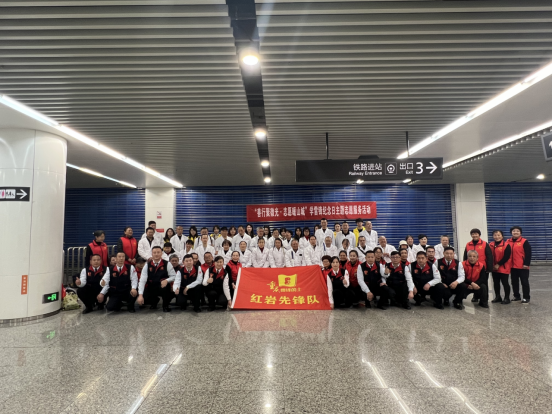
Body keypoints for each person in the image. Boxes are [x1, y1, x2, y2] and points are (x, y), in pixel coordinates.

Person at [137, 246, 177, 312]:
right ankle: (154, 301)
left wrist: (167, 280)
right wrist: (140, 295)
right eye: (154, 252)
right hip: (152, 286)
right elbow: (142, 280)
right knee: (145, 296)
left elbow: (174, 276)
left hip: (163, 287)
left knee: (165, 288)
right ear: (152, 254)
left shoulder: (167, 264)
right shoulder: (147, 265)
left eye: (158, 252)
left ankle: (165, 305)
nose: (156, 254)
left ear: (161, 253)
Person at [508, 226, 532, 303]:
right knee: (514, 282)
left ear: (520, 232)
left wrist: (526, 264)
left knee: (524, 282)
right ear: (511, 232)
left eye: (517, 231)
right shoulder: (508, 241)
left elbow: (528, 253)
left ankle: (526, 297)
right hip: (512, 266)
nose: (515, 232)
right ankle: (516, 296)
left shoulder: (524, 241)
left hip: (522, 266)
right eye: (514, 231)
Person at [490, 230, 512, 304]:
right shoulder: (490, 245)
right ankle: (498, 297)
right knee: (496, 283)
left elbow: (506, 257)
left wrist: (498, 264)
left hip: (503, 267)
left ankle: (507, 298)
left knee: (505, 283)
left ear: (502, 236)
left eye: (499, 235)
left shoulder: (506, 245)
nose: (497, 237)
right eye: (495, 235)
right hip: (494, 268)